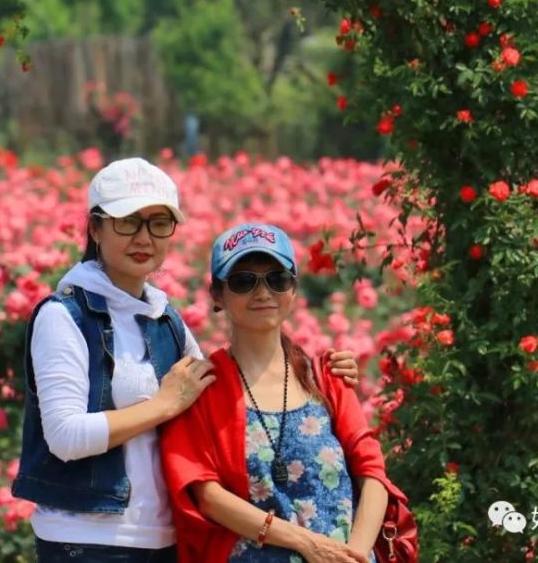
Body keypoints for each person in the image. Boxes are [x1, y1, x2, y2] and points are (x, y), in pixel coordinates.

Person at [10, 160, 361, 562]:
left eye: (159, 223)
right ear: (95, 228)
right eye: (128, 222)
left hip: (160, 539)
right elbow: (66, 437)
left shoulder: (165, 319)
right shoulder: (64, 316)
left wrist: (318, 369)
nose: (144, 237)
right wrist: (161, 406)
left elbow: (227, 379)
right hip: (85, 540)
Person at [162, 223, 408, 563]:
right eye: (244, 281)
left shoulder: (326, 377)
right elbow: (207, 494)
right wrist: (307, 544)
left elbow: (372, 471)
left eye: (276, 279)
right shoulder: (201, 388)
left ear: (293, 288)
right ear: (218, 296)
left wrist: (357, 555)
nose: (263, 293)